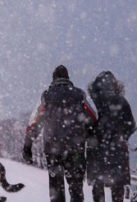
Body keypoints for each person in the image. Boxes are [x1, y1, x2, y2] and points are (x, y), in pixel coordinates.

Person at [23, 65, 97, 202]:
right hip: (75, 148)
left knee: (56, 188)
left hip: (53, 149)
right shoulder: (80, 95)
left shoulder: (46, 96)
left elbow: (35, 121)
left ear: (53, 79)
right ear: (68, 78)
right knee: (76, 188)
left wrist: (28, 146)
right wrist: (88, 133)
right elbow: (93, 116)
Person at [86, 71, 135, 202]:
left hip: (96, 150)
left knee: (98, 186)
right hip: (117, 150)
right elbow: (131, 125)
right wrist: (122, 137)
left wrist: (92, 137)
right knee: (117, 186)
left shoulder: (92, 102)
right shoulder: (121, 101)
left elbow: (85, 124)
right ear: (115, 85)